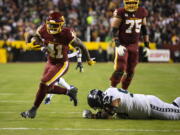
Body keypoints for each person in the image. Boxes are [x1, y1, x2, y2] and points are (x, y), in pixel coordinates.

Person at [21, 11, 95, 119]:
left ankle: (33, 110)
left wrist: (88, 59)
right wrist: (39, 44)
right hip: (50, 61)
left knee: (44, 83)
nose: (51, 27)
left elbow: (81, 45)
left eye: (54, 25)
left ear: (61, 25)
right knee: (47, 88)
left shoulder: (67, 33)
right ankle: (69, 91)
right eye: (50, 25)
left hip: (61, 64)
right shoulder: (43, 29)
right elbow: (35, 38)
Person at [110, 0, 150, 90]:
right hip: (122, 44)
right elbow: (113, 30)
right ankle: (112, 88)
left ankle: (124, 90)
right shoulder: (120, 12)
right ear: (124, 3)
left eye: (133, 3)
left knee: (131, 70)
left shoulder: (142, 11)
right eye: (128, 3)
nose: (131, 5)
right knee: (120, 68)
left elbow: (144, 29)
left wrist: (147, 45)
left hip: (134, 44)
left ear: (137, 2)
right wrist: (118, 45)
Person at [83, 88, 180, 120]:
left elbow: (108, 114)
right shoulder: (109, 91)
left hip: (150, 106)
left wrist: (92, 116)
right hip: (147, 107)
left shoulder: (112, 101)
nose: (99, 108)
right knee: (174, 107)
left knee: (176, 115)